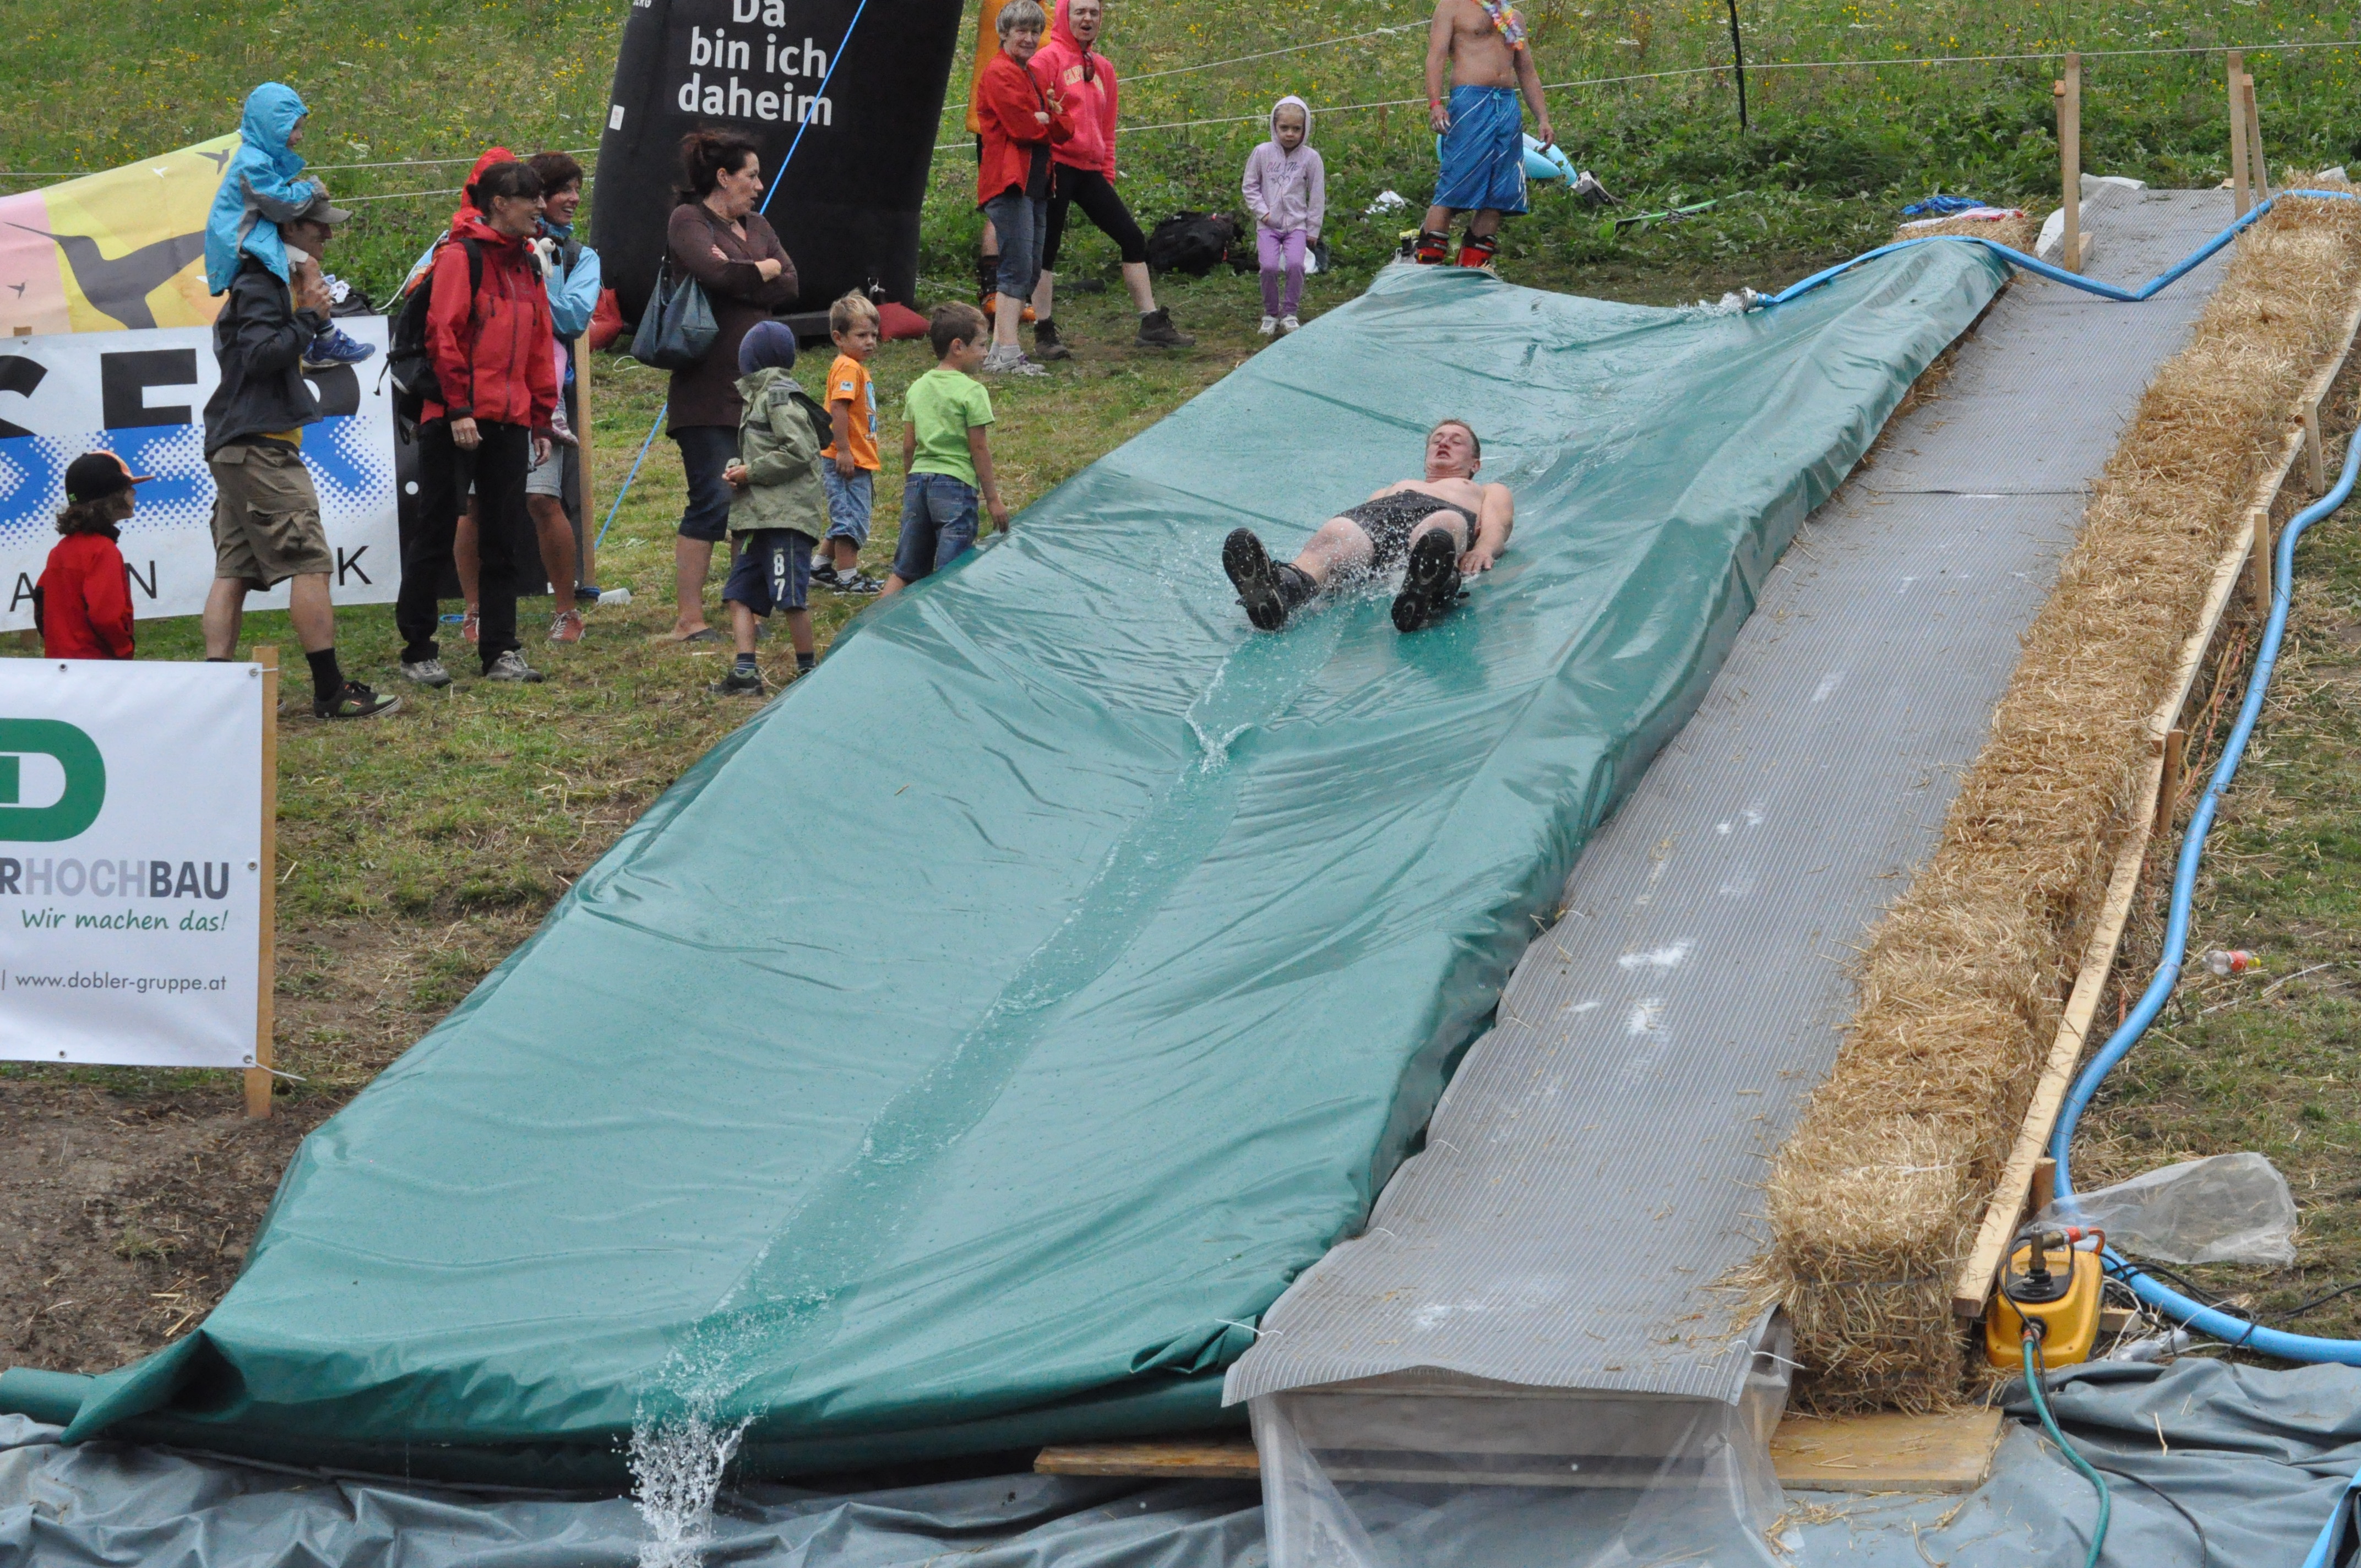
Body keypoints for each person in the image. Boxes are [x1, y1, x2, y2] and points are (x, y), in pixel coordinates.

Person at [200, 184, 398, 719]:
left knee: (234, 570)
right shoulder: (261, 283)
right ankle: (331, 692)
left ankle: (214, 696)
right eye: (319, 225)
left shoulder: (264, 280)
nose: (328, 234)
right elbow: (261, 356)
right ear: (289, 228)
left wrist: (306, 311)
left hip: (238, 444)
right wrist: (309, 317)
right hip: (260, 448)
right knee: (310, 563)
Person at [396, 159, 559, 688]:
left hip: (509, 419)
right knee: (436, 531)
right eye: (531, 198)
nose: (541, 207)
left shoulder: (528, 263)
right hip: (454, 418)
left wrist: (540, 419)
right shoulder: (459, 257)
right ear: (499, 204)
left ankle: (501, 651)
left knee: (503, 538)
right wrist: (459, 409)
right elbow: (443, 336)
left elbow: (539, 343)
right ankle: (417, 649)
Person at [660, 128, 798, 641]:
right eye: (751, 176)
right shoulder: (689, 220)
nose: (759, 186)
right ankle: (688, 620)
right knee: (713, 500)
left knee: (751, 501)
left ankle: (744, 609)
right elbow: (714, 276)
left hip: (757, 391)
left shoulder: (758, 225)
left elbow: (791, 283)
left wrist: (749, 272)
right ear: (723, 177)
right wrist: (762, 271)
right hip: (705, 389)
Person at [1220, 420, 1513, 634]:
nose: (1444, 443)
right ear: (1425, 459)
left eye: (1456, 441)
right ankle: (1284, 589)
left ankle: (1429, 586)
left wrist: (1484, 549)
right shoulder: (1393, 488)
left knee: (1443, 525)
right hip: (1381, 516)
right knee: (1340, 532)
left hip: (1441, 516)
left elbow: (1499, 524)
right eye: (1437, 440)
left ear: (1475, 464)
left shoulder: (1487, 490)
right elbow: (1363, 535)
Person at [1027, 0, 1195, 357]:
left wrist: (1107, 172)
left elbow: (1107, 128)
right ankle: (1044, 332)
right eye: (1080, 12)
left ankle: (1151, 323)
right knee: (1047, 248)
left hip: (1090, 170)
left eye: (1094, 12)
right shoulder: (1046, 60)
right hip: (1056, 165)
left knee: (1131, 237)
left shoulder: (1103, 68)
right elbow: (1032, 117)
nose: (1087, 19)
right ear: (1065, 15)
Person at [202, 83, 373, 371]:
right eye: (292, 128)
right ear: (271, 127)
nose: (299, 136)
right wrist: (311, 190)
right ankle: (326, 338)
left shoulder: (260, 158)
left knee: (302, 271)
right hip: (242, 241)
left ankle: (317, 338)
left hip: (254, 235)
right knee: (308, 265)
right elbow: (280, 204)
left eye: (300, 128)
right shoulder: (253, 163)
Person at [713, 322, 830, 696]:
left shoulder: (778, 398)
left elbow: (799, 451)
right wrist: (739, 468)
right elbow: (763, 453)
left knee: (791, 599)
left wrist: (752, 472)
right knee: (738, 595)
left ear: (751, 360)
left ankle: (809, 674)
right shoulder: (758, 397)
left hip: (785, 520)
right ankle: (746, 674)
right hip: (760, 520)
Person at [973, 0, 1073, 378]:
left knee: (1030, 268)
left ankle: (999, 352)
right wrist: (1044, 118)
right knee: (1016, 268)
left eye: (1035, 31)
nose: (1029, 39)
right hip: (1010, 184)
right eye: (1022, 31)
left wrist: (1046, 117)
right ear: (1004, 34)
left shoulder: (1031, 73)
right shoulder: (999, 73)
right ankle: (1009, 353)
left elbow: (1065, 127)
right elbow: (1023, 129)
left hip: (1036, 184)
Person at [1416, 0, 1555, 269]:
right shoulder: (1452, 8)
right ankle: (1427, 266)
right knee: (1454, 183)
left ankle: (1472, 270)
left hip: (1507, 104)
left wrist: (1543, 118)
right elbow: (1436, 56)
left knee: (1498, 193)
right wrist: (1435, 104)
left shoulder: (1514, 16)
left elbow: (1527, 70)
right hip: (1470, 100)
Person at [881, 303, 1007, 598]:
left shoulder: (917, 388)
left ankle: (876, 621)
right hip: (954, 487)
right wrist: (993, 499)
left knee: (905, 571)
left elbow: (908, 447)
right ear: (958, 347)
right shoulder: (972, 391)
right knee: (951, 575)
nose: (985, 353)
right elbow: (979, 448)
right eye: (982, 345)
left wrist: (911, 484)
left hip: (918, 483)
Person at [35, 452, 144, 661]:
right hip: (97, 668)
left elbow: (41, 604)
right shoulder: (103, 550)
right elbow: (107, 617)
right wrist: (125, 651)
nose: (134, 492)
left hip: (60, 665)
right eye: (127, 487)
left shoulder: (61, 549)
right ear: (111, 497)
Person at [813, 292, 886, 596]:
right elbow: (838, 409)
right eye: (861, 335)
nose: (870, 342)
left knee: (847, 514)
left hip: (856, 456)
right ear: (839, 338)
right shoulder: (848, 367)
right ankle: (847, 578)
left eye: (874, 335)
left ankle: (819, 568)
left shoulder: (854, 366)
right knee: (849, 519)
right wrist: (843, 450)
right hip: (846, 459)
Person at [1242, 95, 1325, 336]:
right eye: (1284, 128)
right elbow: (1250, 186)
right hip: (1268, 226)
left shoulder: (1311, 158)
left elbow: (1317, 195)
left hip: (1297, 226)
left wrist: (1313, 229)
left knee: (1296, 265)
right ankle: (1271, 314)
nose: (1290, 134)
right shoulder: (1262, 153)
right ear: (1274, 127)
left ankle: (1289, 313)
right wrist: (1264, 214)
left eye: (1296, 129)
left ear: (1305, 129)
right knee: (1268, 267)